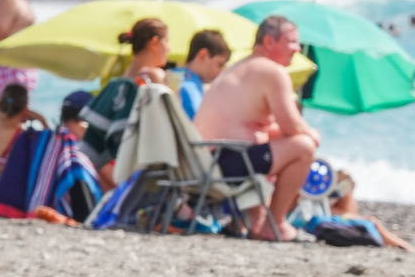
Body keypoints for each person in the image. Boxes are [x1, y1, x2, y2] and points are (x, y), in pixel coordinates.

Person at [192, 15, 319, 241]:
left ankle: (254, 221)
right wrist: (312, 134)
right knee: (303, 147)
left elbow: (254, 126)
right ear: (269, 42)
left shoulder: (239, 68)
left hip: (205, 162)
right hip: (226, 162)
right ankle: (275, 224)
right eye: (291, 42)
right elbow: (292, 127)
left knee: (275, 146)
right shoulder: (272, 71)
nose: (297, 48)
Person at [176, 28, 231, 120]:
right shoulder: (188, 85)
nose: (221, 72)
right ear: (203, 55)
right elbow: (199, 123)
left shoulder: (174, 75)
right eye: (219, 65)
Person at [119, 17, 170, 86]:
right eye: (166, 41)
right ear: (154, 42)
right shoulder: (155, 75)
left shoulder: (122, 79)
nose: (169, 48)